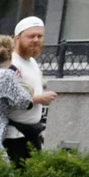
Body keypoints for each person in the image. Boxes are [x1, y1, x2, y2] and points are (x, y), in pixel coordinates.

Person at [6, 15, 55, 165]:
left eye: (39, 36)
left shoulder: (32, 62)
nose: (36, 40)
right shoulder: (11, 64)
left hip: (31, 133)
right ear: (18, 38)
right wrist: (39, 99)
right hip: (14, 136)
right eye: (31, 36)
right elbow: (8, 100)